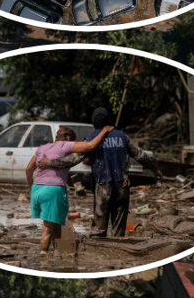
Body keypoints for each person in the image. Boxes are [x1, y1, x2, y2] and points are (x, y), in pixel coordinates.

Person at [38, 107, 161, 238]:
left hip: (103, 186)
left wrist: (50, 163)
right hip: (122, 185)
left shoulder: (92, 139)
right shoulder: (122, 136)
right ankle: (118, 251)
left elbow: (73, 159)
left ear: (93, 122)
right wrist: (155, 169)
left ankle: (99, 252)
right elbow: (140, 155)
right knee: (118, 226)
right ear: (108, 121)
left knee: (99, 228)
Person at [25, 124, 115, 256]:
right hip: (53, 190)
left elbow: (28, 169)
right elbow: (90, 146)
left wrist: (31, 187)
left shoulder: (42, 148)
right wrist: (104, 131)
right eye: (72, 139)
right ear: (67, 138)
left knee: (55, 222)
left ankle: (57, 253)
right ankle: (43, 256)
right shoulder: (65, 146)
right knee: (48, 227)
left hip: (37, 189)